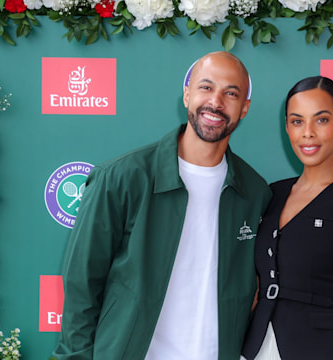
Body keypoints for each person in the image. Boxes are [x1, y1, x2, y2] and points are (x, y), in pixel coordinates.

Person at [52, 51, 272, 360]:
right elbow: (81, 285)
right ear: (187, 95)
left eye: (231, 93)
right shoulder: (121, 178)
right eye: (206, 87)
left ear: (244, 108)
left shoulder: (255, 192)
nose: (216, 102)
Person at [241, 76, 333, 360]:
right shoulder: (273, 193)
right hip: (255, 348)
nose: (307, 133)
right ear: (286, 127)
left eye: (321, 120)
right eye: (297, 121)